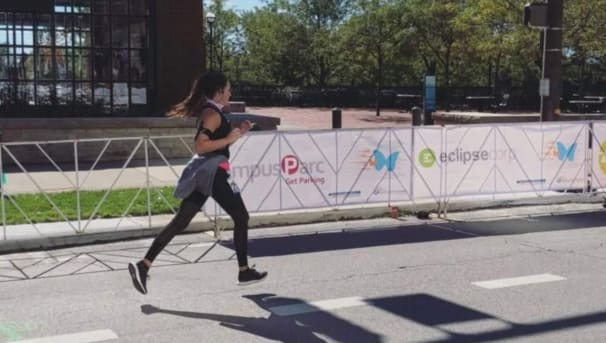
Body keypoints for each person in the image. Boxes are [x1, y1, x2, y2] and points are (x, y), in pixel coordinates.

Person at [128, 71, 267, 295]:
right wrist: (230, 138)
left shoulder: (212, 112)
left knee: (180, 222)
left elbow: (215, 142)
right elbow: (201, 146)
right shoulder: (212, 114)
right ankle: (244, 271)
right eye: (228, 89)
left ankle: (143, 265)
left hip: (204, 173)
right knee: (241, 217)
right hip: (214, 173)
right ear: (219, 91)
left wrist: (239, 132)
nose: (231, 92)